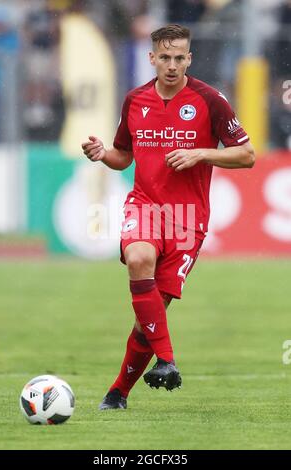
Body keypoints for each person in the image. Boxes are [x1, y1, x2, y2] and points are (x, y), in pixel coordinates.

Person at [82, 24, 255, 410]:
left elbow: (247, 155)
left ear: (189, 58)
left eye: (180, 58)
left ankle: (117, 393)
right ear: (152, 58)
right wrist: (102, 153)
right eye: (165, 57)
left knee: (151, 317)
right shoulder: (135, 100)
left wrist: (201, 153)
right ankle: (167, 360)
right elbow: (123, 156)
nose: (172, 65)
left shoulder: (210, 100)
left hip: (188, 220)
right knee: (139, 258)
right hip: (144, 206)